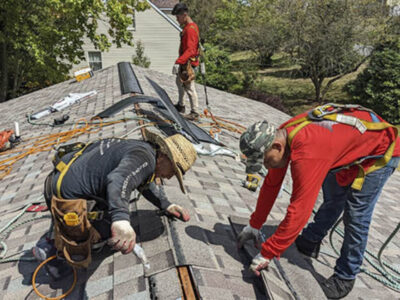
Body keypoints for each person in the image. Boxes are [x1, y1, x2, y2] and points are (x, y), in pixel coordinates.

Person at [237, 104, 400, 299]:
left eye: (264, 161)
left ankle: (345, 276)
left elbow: (300, 209)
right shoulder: (279, 137)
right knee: (333, 200)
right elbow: (271, 185)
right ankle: (310, 240)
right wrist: (254, 224)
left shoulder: (307, 153)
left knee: (356, 215)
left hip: (380, 152)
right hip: (345, 147)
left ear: (277, 146)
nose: (265, 166)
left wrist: (268, 252)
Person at [35, 130, 197, 275]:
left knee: (111, 206)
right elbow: (118, 179)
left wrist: (166, 204)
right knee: (104, 235)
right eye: (173, 171)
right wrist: (120, 221)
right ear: (164, 156)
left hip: (61, 179)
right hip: (65, 198)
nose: (169, 177)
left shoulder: (144, 150)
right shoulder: (145, 158)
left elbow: (141, 181)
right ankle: (53, 252)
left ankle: (61, 227)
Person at [171, 2, 200, 121]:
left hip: (188, 63)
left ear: (184, 14)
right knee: (179, 82)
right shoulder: (188, 27)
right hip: (185, 62)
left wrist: (178, 62)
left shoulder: (190, 30)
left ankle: (195, 112)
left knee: (189, 87)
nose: (177, 19)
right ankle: (181, 105)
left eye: (178, 17)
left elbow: (190, 50)